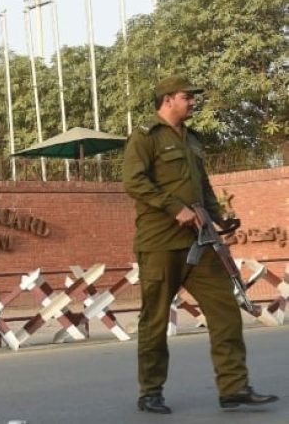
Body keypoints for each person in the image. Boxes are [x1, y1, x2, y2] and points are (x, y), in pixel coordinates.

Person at [122, 75, 278, 414]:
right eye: (186, 97)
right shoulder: (145, 136)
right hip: (160, 242)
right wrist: (172, 207)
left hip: (201, 240)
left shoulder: (191, 139)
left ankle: (233, 388)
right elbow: (133, 182)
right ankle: (150, 391)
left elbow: (202, 185)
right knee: (155, 318)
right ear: (167, 100)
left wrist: (220, 215)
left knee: (225, 311)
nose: (193, 102)